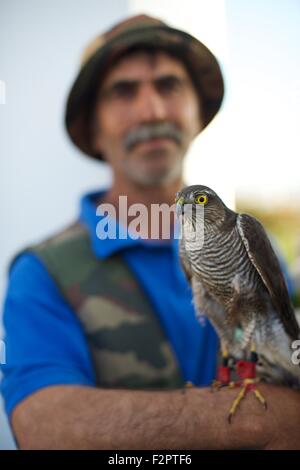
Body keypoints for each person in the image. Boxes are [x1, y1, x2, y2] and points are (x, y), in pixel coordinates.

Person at [1, 14, 300, 450]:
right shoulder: (42, 272)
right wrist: (263, 422)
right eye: (123, 91)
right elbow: (44, 427)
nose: (153, 110)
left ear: (198, 113)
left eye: (169, 86)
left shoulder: (252, 240)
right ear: (93, 128)